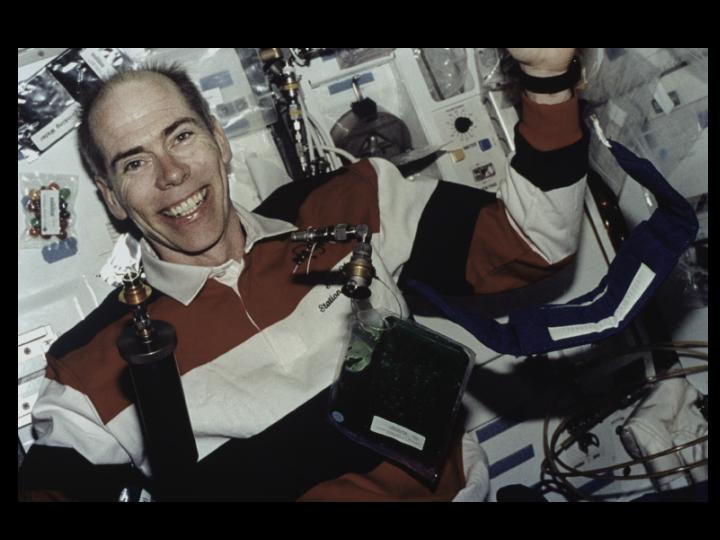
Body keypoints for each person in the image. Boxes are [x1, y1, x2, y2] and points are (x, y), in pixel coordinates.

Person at [18, 48, 588, 501]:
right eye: (135, 162)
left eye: (182, 136)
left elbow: (535, 241)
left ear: (219, 140)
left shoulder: (351, 206)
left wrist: (547, 77)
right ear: (112, 198)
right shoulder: (93, 368)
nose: (171, 174)